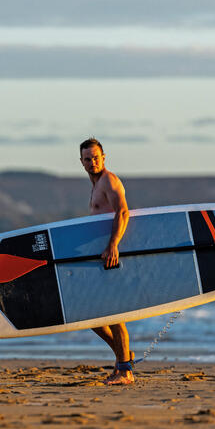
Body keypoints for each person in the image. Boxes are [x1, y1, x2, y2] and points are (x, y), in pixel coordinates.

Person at [79, 137, 134, 385]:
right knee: (92, 316)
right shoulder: (96, 185)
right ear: (81, 162)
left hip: (111, 253)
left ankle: (125, 371)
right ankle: (124, 358)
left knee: (113, 313)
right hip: (101, 255)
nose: (93, 162)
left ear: (104, 157)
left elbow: (123, 211)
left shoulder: (109, 180)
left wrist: (113, 245)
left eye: (96, 157)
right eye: (88, 159)